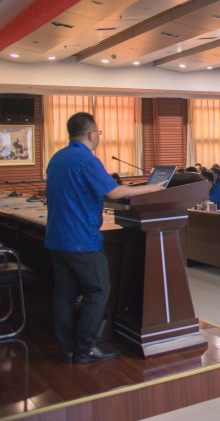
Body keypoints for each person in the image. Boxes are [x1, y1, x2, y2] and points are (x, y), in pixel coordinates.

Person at [45, 112, 166, 364]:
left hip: (57, 237)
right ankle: (85, 349)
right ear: (92, 134)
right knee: (99, 291)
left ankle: (68, 348)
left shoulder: (57, 158)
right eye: (98, 132)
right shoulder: (87, 160)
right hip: (81, 240)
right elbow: (114, 192)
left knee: (64, 295)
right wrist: (153, 187)